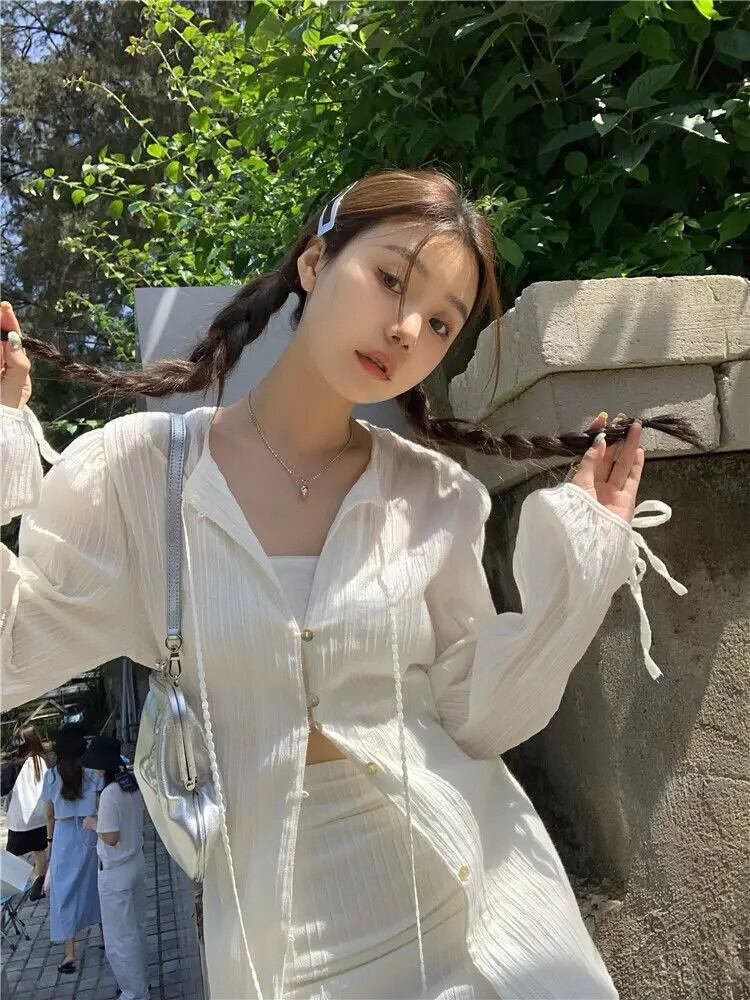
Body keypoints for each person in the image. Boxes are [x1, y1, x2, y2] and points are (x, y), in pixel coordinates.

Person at [0, 168, 694, 999]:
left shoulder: (432, 497)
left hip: (480, 906)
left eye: (440, 322)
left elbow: (478, 716)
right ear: (315, 261)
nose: (406, 329)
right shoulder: (139, 479)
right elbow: (13, 652)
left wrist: (581, 568)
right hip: (281, 948)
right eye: (391, 278)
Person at [81, 735, 150, 1000]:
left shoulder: (110, 793)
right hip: (135, 863)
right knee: (137, 928)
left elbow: (110, 837)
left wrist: (93, 824)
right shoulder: (129, 783)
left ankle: (134, 992)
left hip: (115, 870)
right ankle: (140, 983)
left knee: (120, 938)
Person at [40, 722, 103, 973]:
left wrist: (49, 842)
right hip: (89, 831)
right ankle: (105, 936)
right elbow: (99, 804)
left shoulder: (51, 776)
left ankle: (69, 953)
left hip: (64, 835)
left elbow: (49, 814)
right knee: (95, 885)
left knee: (63, 891)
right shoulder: (92, 773)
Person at [2, 724, 49, 900]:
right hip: (41, 817)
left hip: (21, 819)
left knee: (11, 857)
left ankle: (22, 884)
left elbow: (3, 787)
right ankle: (39, 883)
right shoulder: (43, 760)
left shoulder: (16, 765)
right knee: (40, 850)